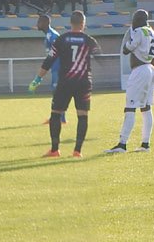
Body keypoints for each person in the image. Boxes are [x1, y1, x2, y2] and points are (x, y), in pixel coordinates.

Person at [29, 11, 101, 158]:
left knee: (55, 114)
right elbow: (99, 56)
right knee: (82, 115)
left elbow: (49, 61)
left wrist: (37, 79)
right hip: (83, 82)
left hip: (65, 82)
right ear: (83, 23)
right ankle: (77, 151)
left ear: (71, 23)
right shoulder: (89, 40)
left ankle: (55, 150)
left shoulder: (62, 39)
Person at [108, 9, 154, 154]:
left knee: (130, 107)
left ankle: (122, 144)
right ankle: (145, 144)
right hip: (151, 69)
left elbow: (127, 49)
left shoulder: (137, 32)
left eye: (134, 19)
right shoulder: (153, 33)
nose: (133, 22)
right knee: (146, 107)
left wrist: (129, 36)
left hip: (140, 70)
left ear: (139, 20)